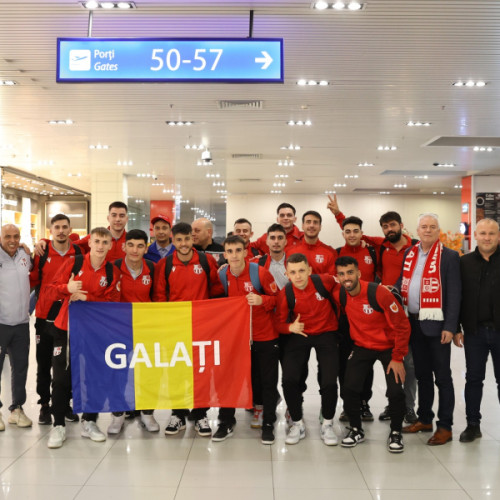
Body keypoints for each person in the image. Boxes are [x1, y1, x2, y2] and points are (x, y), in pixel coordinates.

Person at [327, 196, 419, 424]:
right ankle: (355, 404)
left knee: (403, 362)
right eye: (385, 226)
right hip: (352, 315)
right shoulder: (373, 247)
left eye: (392, 225)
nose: (389, 229)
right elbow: (351, 230)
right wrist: (339, 214)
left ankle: (402, 406)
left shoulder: (405, 248)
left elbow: (356, 232)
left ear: (401, 226)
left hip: (387, 310)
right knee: (356, 361)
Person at [46, 227, 121, 449]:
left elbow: (113, 303)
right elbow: (50, 290)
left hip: (94, 331)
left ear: (110, 245)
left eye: (104, 242)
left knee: (93, 377)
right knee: (61, 378)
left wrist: (87, 297)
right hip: (66, 328)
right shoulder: (74, 263)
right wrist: (66, 288)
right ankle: (58, 425)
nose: (100, 246)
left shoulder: (111, 272)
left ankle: (89, 421)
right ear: (90, 243)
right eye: (96, 241)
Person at [154, 222, 224, 437]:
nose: (183, 244)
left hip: (202, 326)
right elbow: (159, 298)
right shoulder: (164, 265)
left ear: (192, 240)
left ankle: (201, 413)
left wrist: (215, 321)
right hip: (175, 327)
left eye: (187, 239)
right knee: (176, 370)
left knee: (201, 371)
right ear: (173, 241)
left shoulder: (206, 260)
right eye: (179, 240)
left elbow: (216, 291)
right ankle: (178, 413)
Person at [396, 213, 461, 445]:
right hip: (413, 323)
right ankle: (425, 419)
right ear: (417, 230)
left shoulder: (449, 256)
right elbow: (403, 282)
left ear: (438, 230)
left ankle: (445, 426)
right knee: (422, 375)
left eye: (432, 227)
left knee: (442, 377)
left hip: (438, 326)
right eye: (424, 226)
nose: (427, 230)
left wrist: (451, 327)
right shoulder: (409, 253)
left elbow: (454, 294)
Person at [335, 256, 411, 452]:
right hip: (362, 346)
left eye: (350, 272)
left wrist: (397, 357)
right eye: (342, 274)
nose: (346, 278)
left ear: (359, 273)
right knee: (349, 388)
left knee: (395, 391)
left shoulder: (379, 293)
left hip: (388, 348)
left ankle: (395, 432)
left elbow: (402, 325)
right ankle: (356, 429)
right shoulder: (342, 293)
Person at [214, 235, 279, 444]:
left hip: (264, 335)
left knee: (267, 382)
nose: (234, 255)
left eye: (238, 251)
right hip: (237, 337)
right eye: (230, 251)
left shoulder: (260, 273)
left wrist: (262, 300)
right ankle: (225, 421)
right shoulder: (222, 274)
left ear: (245, 252)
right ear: (225, 255)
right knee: (229, 379)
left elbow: (278, 300)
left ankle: (268, 423)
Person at [274, 253, 340, 446]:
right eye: (293, 272)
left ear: (310, 270)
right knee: (288, 380)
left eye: (302, 270)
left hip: (327, 333)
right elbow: (277, 323)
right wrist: (289, 328)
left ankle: (327, 423)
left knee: (329, 381)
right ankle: (297, 423)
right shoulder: (285, 293)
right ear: (287, 274)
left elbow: (346, 286)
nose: (298, 276)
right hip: (299, 333)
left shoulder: (325, 281)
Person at [29, 214, 81, 426]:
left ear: (70, 229)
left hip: (68, 316)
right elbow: (32, 280)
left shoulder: (78, 251)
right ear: (50, 230)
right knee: (43, 363)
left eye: (64, 227)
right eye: (57, 227)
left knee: (66, 364)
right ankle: (44, 405)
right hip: (44, 316)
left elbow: (94, 240)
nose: (61, 231)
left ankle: (64, 404)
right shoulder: (42, 252)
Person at [107, 229, 160, 435]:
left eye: (140, 246)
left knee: (147, 372)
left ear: (146, 248)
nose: (135, 250)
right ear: (124, 247)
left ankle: (147, 412)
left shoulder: (153, 269)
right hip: (119, 329)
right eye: (131, 245)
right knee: (118, 372)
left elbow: (157, 299)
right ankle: (117, 415)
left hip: (145, 328)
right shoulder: (114, 268)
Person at [455, 218, 500, 442]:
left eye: (491, 233)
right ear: (475, 236)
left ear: (498, 236)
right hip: (474, 332)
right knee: (474, 379)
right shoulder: (464, 263)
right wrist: (455, 327)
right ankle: (473, 424)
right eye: (483, 233)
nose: (487, 237)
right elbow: (456, 297)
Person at [0, 224, 33, 431]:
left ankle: (17, 409)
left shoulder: (25, 255)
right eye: (7, 236)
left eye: (16, 236)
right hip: (0, 324)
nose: (12, 240)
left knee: (20, 368)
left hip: (21, 324)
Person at [35, 201, 129, 262]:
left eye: (121, 216)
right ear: (108, 218)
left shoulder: (131, 241)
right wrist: (44, 241)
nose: (117, 219)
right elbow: (66, 244)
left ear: (127, 219)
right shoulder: (94, 238)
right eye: (114, 215)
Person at [251, 223, 288, 290]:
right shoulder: (257, 264)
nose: (276, 241)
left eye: (280, 238)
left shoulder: (294, 264)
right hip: (266, 300)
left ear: (285, 242)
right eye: (272, 238)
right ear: (267, 241)